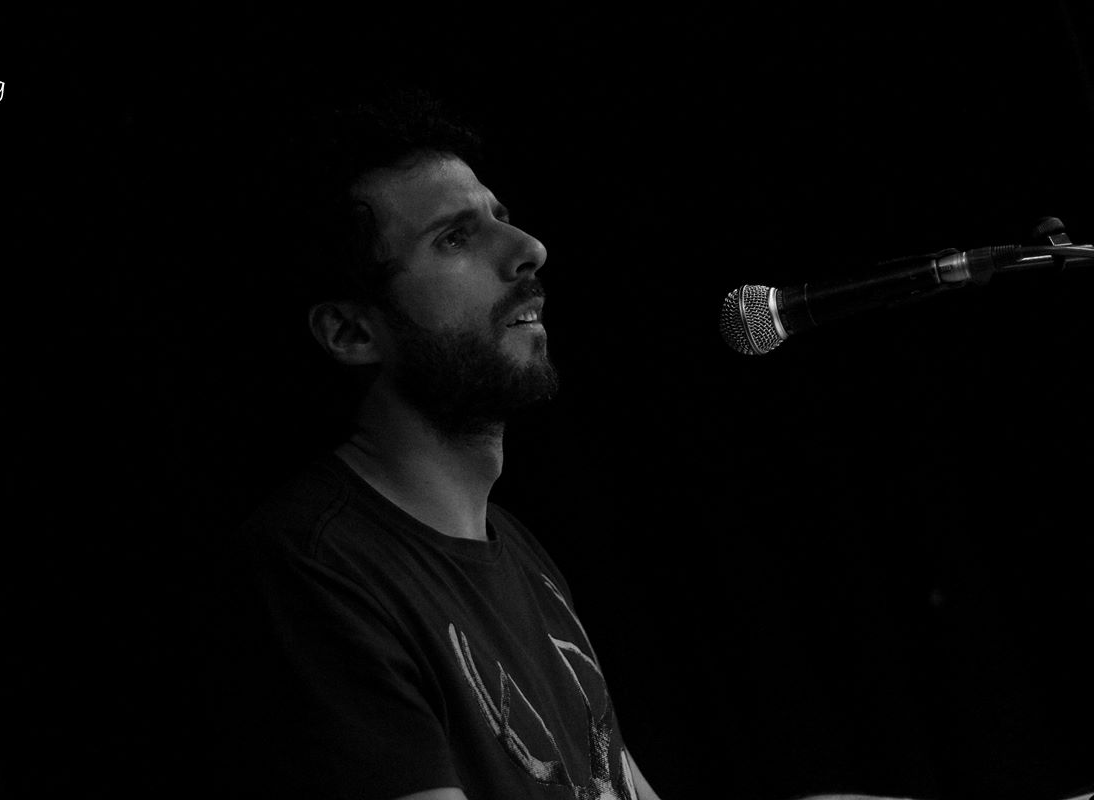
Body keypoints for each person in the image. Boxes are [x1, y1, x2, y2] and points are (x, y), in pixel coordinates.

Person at [215, 88, 925, 800]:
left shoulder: (521, 557)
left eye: (501, 218)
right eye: (455, 238)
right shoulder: (313, 568)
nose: (529, 249)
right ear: (351, 332)